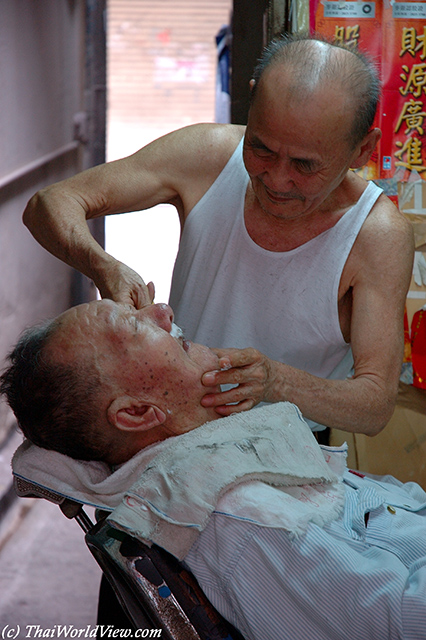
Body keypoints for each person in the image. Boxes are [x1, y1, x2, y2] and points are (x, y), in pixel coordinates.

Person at [21, 34, 414, 436]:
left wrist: (276, 382)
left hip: (285, 452)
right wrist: (103, 267)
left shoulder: (375, 236)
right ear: (252, 101)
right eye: (261, 149)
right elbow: (49, 205)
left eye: (305, 166)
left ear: (363, 150)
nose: (277, 180)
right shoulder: (207, 155)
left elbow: (374, 405)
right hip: (164, 432)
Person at [1, 299, 426, 640]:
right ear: (136, 412)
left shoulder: (216, 466)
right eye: (136, 325)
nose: (163, 311)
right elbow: (404, 620)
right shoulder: (243, 520)